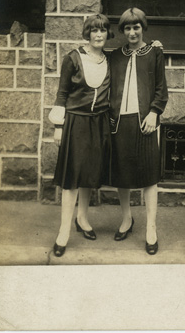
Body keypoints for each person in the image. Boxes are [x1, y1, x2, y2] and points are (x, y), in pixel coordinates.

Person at [49, 14, 113, 257]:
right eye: (94, 31)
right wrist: (58, 126)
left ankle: (83, 219)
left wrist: (155, 46)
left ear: (108, 34)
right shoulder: (73, 58)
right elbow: (62, 93)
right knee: (72, 177)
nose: (98, 35)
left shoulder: (110, 59)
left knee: (90, 173)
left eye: (103, 30)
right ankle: (64, 231)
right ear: (87, 33)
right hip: (76, 122)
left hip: (100, 123)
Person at [109, 7, 168, 255]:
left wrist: (154, 112)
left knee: (148, 175)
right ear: (122, 30)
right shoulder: (115, 56)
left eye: (136, 27)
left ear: (143, 28)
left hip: (146, 121)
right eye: (128, 28)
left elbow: (161, 88)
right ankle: (126, 219)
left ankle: (151, 228)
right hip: (120, 122)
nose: (132, 32)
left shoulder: (154, 52)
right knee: (123, 174)